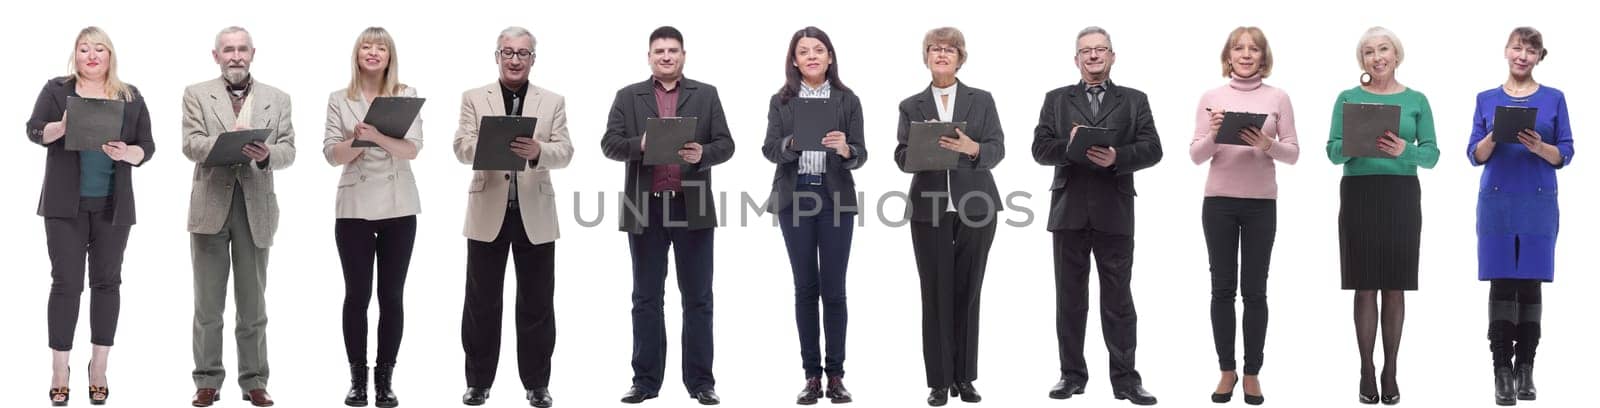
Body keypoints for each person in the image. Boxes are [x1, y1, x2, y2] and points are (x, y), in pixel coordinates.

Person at [599, 25, 734, 406]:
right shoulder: (628, 97)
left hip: (692, 204)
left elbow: (726, 144)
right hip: (644, 206)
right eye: (659, 51)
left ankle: (701, 382)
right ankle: (644, 382)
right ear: (649, 57)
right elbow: (609, 144)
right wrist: (639, 145)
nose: (666, 56)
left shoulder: (706, 95)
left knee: (698, 298)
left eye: (673, 50)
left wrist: (703, 155)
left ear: (684, 55)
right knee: (645, 297)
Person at [1031, 26, 1162, 406]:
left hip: (1114, 210)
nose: (1093, 56)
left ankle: (1126, 381)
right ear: (1076, 59)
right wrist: (1070, 146)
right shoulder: (1056, 100)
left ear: (1112, 56)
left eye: (1100, 49)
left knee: (1118, 299)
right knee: (1070, 299)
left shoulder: (1134, 100)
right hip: (1068, 210)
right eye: (1085, 51)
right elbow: (1040, 149)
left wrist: (1118, 157)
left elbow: (1153, 148)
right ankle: (1071, 375)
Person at [28, 26, 155, 407]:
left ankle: (98, 368)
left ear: (110, 55)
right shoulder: (56, 90)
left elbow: (147, 146)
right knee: (65, 284)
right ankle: (59, 369)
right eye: (84, 49)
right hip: (64, 207)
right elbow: (34, 130)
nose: (92, 55)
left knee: (107, 283)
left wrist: (127, 152)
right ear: (75, 56)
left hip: (113, 207)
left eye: (100, 48)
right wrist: (59, 128)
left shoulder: (130, 96)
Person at [453, 26, 573, 408]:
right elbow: (460, 146)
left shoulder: (552, 101)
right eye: (508, 52)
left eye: (523, 53)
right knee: (481, 303)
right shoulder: (474, 97)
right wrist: (489, 145)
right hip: (488, 210)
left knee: (537, 303)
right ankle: (478, 382)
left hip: (534, 213)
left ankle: (537, 384)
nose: (515, 59)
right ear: (497, 56)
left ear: (533, 59)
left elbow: (566, 151)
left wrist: (538, 150)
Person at [181, 25, 297, 408]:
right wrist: (226, 142)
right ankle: (207, 381)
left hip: (256, 208)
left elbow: (288, 150)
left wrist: (266, 156)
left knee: (253, 305)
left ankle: (254, 381)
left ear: (253, 53)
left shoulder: (277, 98)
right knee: (208, 305)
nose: (235, 56)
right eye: (228, 50)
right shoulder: (197, 94)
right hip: (210, 206)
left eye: (242, 49)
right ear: (216, 55)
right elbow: (190, 144)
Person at [1325, 26, 1438, 406]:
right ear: (1363, 60)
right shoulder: (1348, 97)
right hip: (1359, 192)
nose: (1377, 57)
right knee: (1365, 283)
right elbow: (1333, 151)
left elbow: (1433, 156)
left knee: (1395, 284)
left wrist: (1405, 148)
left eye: (1383, 49)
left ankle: (1390, 368)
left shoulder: (1417, 99)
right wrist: (1355, 144)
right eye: (1369, 52)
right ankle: (1365, 369)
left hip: (1402, 195)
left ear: (1396, 54)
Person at [893, 26, 1005, 407]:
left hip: (976, 205)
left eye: (949, 49)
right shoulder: (911, 105)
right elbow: (900, 155)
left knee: (969, 292)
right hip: (930, 207)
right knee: (935, 294)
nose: (942, 54)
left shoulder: (982, 100)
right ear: (925, 57)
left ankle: (965, 377)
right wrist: (916, 154)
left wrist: (974, 148)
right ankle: (940, 381)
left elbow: (997, 148)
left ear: (960, 57)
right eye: (935, 49)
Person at [1188, 26, 1300, 406]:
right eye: (1239, 48)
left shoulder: (1278, 97)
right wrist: (1217, 133)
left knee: (1255, 291)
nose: (1246, 54)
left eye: (1254, 49)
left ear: (1263, 56)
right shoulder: (1212, 97)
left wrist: (1266, 144)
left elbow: (1294, 153)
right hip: (1218, 202)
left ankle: (1252, 372)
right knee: (1222, 289)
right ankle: (1226, 370)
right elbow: (1196, 155)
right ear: (1229, 55)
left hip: (1260, 204)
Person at [759, 26, 865, 405]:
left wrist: (846, 149)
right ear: (794, 60)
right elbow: (770, 149)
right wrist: (791, 143)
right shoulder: (781, 101)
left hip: (835, 196)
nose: (812, 56)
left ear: (830, 57)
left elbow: (863, 154)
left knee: (834, 288)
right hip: (795, 194)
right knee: (805, 287)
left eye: (818, 50)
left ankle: (835, 375)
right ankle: (811, 377)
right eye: (803, 51)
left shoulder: (847, 100)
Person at [1467, 27, 1571, 406]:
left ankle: (1526, 368)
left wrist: (1539, 146)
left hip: (1538, 198)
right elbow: (1475, 154)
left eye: (1531, 50)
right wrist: (1496, 133)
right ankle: (1502, 371)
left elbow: (1564, 154)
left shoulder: (1555, 99)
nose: (1522, 55)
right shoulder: (1486, 99)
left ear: (1540, 56)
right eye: (1517, 47)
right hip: (1497, 198)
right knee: (1501, 282)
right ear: (1506, 51)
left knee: (1530, 284)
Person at [323, 26, 423, 408]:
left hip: (399, 206)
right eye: (367, 46)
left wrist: (377, 136)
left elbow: (412, 149)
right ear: (357, 54)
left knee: (391, 295)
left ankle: (385, 380)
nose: (373, 52)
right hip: (354, 208)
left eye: (380, 47)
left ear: (389, 55)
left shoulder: (405, 95)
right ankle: (357, 380)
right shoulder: (339, 99)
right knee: (357, 296)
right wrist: (358, 140)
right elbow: (333, 154)